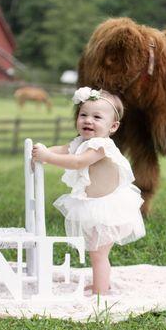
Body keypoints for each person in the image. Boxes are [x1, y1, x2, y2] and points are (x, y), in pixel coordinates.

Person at [32, 87, 145, 295]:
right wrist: (45, 151)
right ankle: (101, 284)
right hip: (92, 205)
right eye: (83, 115)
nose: (88, 120)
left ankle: (100, 294)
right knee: (97, 252)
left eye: (96, 117)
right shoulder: (81, 142)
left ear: (113, 126)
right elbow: (65, 150)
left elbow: (77, 162)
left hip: (108, 208)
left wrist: (47, 157)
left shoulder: (101, 146)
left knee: (98, 254)